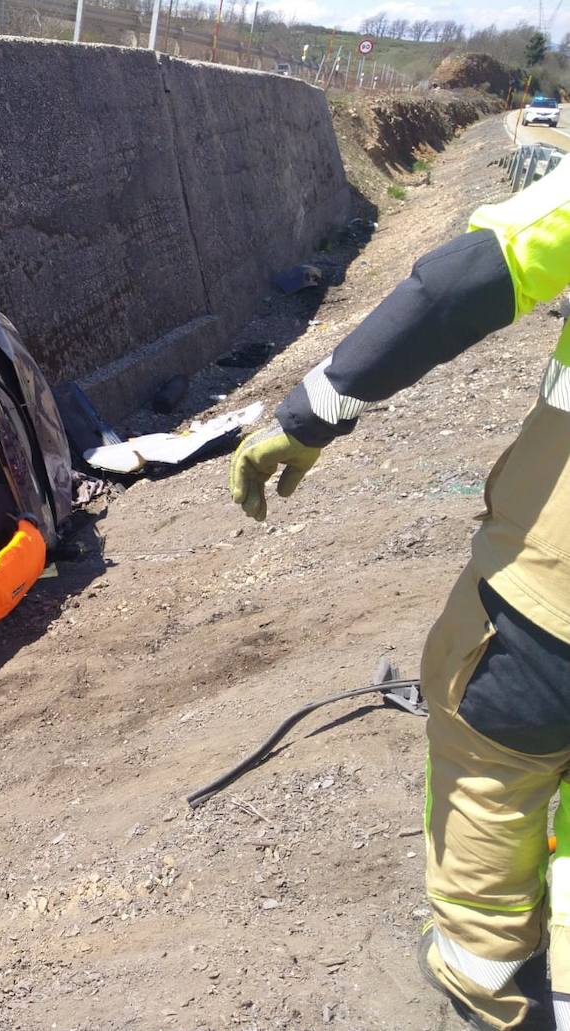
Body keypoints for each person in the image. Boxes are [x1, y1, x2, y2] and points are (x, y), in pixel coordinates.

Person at [229, 165, 570, 1031]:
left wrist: (311, 412)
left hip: (555, 587)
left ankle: (487, 979)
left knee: (496, 746)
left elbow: (469, 279)